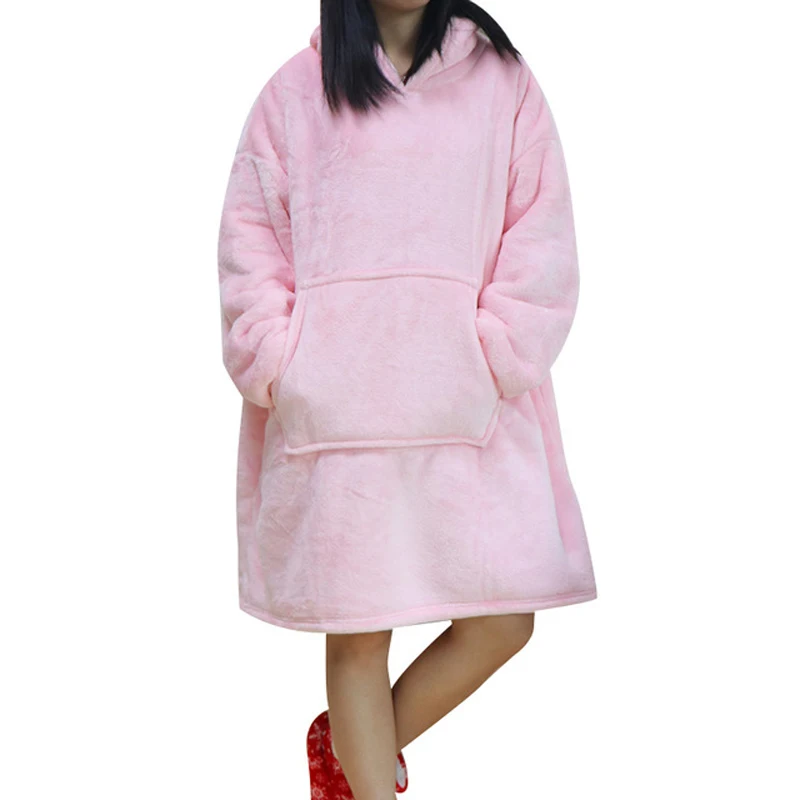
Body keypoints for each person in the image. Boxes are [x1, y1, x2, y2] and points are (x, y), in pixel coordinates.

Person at [216, 0, 598, 796]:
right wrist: (283, 362)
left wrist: (494, 353)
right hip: (337, 418)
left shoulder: (503, 84)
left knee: (503, 619)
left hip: (466, 413)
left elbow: (541, 232)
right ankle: (361, 763)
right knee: (359, 636)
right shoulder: (293, 94)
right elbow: (250, 243)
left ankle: (349, 747)